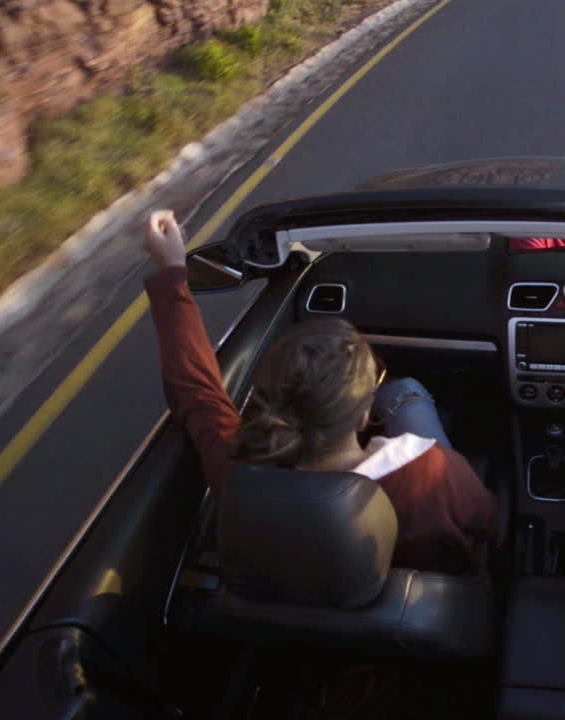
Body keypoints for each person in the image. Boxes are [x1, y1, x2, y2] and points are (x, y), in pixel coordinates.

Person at [142, 210, 495, 574]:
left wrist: (172, 271)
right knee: (406, 392)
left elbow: (197, 391)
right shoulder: (435, 475)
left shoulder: (242, 478)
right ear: (362, 418)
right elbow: (487, 523)